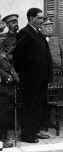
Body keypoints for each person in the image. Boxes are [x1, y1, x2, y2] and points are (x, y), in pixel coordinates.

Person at [13, 8, 53, 143]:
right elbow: (18, 57)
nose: (42, 20)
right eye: (40, 18)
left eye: (42, 18)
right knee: (29, 106)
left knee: (38, 106)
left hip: (41, 78)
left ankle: (35, 131)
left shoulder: (38, 33)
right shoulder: (24, 33)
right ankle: (26, 135)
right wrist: (26, 75)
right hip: (30, 79)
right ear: (31, 18)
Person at [40, 19, 63, 128]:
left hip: (58, 73)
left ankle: (53, 120)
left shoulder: (56, 39)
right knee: (44, 97)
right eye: (46, 26)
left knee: (56, 96)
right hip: (45, 72)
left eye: (50, 26)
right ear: (41, 27)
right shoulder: (39, 39)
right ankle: (43, 121)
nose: (49, 28)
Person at [0, 14, 20, 148]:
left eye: (16, 21)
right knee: (3, 109)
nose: (15, 24)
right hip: (5, 76)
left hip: (13, 74)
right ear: (7, 25)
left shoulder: (22, 36)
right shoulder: (4, 39)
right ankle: (3, 138)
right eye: (12, 22)